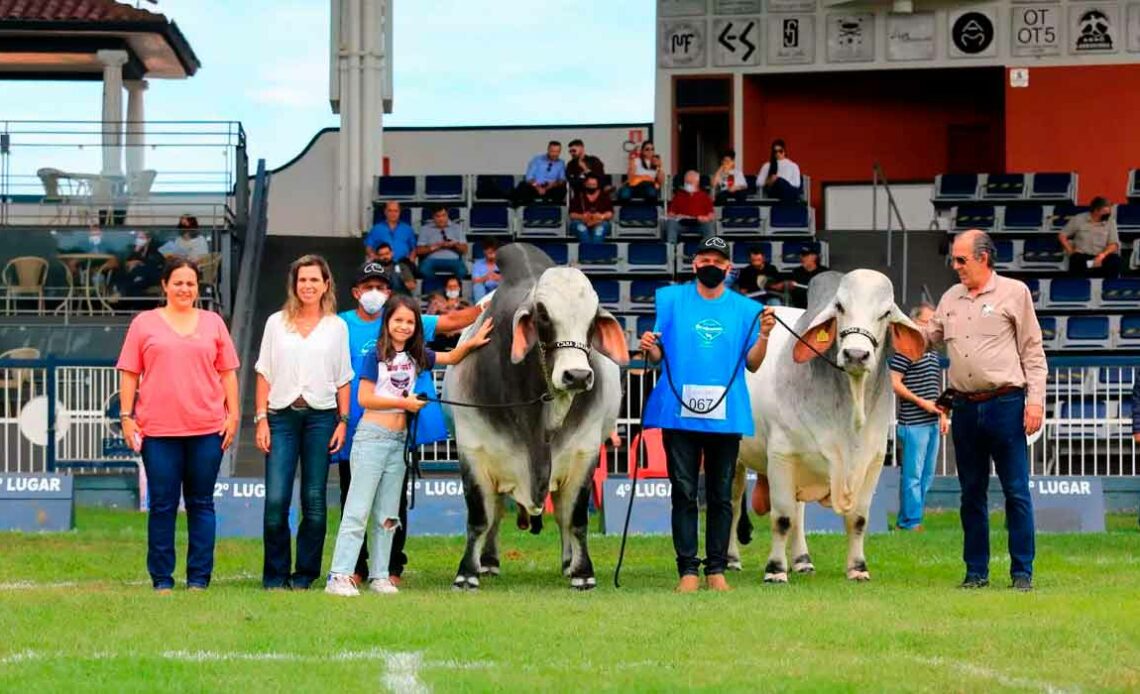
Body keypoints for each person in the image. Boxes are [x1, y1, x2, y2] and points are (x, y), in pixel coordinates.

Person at [326, 295, 494, 596]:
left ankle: (380, 575)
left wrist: (473, 340)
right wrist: (404, 403)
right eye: (398, 320)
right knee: (357, 509)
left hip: (399, 442)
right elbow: (364, 398)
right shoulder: (374, 355)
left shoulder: (418, 356)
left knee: (388, 513)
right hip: (371, 437)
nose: (403, 326)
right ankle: (339, 575)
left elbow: (452, 358)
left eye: (409, 321)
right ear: (387, 323)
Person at [638, 236, 776, 593]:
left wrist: (763, 336)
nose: (711, 265)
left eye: (718, 260)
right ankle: (687, 570)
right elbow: (658, 358)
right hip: (679, 415)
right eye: (705, 259)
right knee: (683, 492)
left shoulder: (747, 310)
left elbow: (754, 364)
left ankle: (716, 570)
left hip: (724, 414)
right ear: (694, 264)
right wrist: (649, 348)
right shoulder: (670, 300)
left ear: (729, 268)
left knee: (721, 494)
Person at [918, 229, 1046, 592]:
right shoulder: (950, 297)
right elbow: (927, 337)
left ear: (983, 258)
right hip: (965, 407)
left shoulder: (1014, 293)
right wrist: (890, 323)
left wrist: (1035, 401)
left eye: (961, 260)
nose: (955, 266)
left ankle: (1022, 572)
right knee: (970, 493)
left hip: (1007, 403)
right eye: (954, 260)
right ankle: (976, 572)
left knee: (1016, 491)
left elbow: (1033, 353)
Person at [116, 259, 240, 593]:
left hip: (206, 429)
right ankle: (162, 579)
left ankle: (199, 578)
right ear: (165, 285)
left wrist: (234, 415)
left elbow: (228, 372)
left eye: (191, 283)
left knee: (201, 503)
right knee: (162, 505)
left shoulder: (214, 323)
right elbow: (129, 372)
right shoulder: (144, 323)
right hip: (158, 432)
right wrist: (126, 417)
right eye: (178, 282)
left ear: (198, 288)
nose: (185, 289)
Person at [254, 254, 353, 590]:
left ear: (326, 284)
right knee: (276, 500)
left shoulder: (336, 326)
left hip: (322, 419)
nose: (308, 285)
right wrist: (261, 419)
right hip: (280, 418)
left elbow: (343, 378)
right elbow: (263, 373)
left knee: (313, 500)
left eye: (315, 279)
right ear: (294, 285)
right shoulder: (275, 323)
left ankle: (305, 574)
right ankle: (275, 575)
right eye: (302, 280)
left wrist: (342, 421)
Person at [889, 302, 948, 532]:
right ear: (914, 323)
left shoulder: (932, 351)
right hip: (913, 423)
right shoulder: (905, 350)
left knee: (926, 476)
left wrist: (943, 414)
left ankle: (911, 519)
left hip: (931, 422)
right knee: (913, 476)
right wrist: (922, 402)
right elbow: (894, 382)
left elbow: (934, 388)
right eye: (928, 322)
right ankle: (911, 522)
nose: (932, 327)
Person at [1058, 197, 1122, 278]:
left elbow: (1114, 244)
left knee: (1115, 261)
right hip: (1083, 256)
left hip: (1102, 257)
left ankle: (1109, 287)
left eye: (1109, 212)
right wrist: (1071, 251)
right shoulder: (1079, 219)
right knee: (1076, 260)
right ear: (1096, 211)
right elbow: (1062, 235)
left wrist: (1101, 256)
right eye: (1105, 212)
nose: (1107, 214)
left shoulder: (1110, 222)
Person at [416, 205, 469, 292]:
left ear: (447, 215)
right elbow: (419, 250)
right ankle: (437, 291)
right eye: (438, 216)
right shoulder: (425, 229)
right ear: (433, 217)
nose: (441, 219)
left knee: (462, 270)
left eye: (443, 215)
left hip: (453, 260)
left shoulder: (457, 228)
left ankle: (452, 290)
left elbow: (465, 249)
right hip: (432, 260)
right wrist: (435, 247)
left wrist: (454, 245)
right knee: (424, 269)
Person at [114, 230, 167, 307]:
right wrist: (134, 255)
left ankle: (122, 292)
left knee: (139, 274)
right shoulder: (133, 249)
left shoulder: (155, 251)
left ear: (148, 239)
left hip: (150, 274)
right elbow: (126, 261)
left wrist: (139, 262)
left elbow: (154, 263)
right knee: (128, 277)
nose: (138, 240)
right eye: (137, 237)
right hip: (136, 275)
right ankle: (122, 293)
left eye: (141, 237)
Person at [665, 170, 715, 243]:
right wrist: (676, 216)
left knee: (709, 226)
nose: (688, 184)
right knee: (671, 224)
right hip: (683, 224)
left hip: (699, 224)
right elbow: (670, 213)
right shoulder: (678, 196)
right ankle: (671, 249)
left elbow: (711, 216)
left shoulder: (704, 196)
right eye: (686, 182)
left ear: (697, 183)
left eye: (690, 182)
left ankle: (710, 249)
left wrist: (705, 218)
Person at [365, 201, 418, 268]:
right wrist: (374, 257)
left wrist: (412, 258)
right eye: (390, 211)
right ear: (385, 212)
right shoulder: (376, 228)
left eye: (396, 211)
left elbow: (414, 248)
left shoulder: (408, 229)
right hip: (382, 263)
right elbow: (369, 247)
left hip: (403, 264)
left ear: (399, 212)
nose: (393, 214)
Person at [513, 141, 567, 206]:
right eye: (552, 151)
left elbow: (562, 180)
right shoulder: (537, 160)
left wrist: (550, 186)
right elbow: (529, 177)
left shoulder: (561, 163)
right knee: (523, 186)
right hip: (535, 186)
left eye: (557, 152)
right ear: (548, 150)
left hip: (551, 188)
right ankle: (527, 208)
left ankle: (553, 209)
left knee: (562, 189)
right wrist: (538, 187)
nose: (555, 154)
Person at [568, 174, 614, 244]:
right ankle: (588, 252)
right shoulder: (578, 196)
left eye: (593, 185)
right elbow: (571, 214)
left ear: (598, 185)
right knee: (582, 230)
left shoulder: (604, 196)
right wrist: (582, 216)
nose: (591, 187)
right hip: (581, 222)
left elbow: (610, 213)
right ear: (585, 184)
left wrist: (601, 216)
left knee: (599, 231)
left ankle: (594, 253)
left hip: (600, 222)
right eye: (589, 185)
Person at [787, 244, 829, 309]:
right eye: (800, 255)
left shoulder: (824, 272)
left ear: (814, 257)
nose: (801, 258)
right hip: (799, 309)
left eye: (804, 255)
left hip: (819, 308)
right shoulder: (797, 272)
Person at [471, 238, 502, 302]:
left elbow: (510, 280)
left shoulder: (504, 263)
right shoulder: (478, 264)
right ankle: (480, 306)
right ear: (484, 251)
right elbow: (475, 280)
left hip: (498, 288)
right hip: (484, 290)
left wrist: (499, 277)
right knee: (477, 286)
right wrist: (486, 278)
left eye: (494, 250)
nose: (491, 253)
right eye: (489, 250)